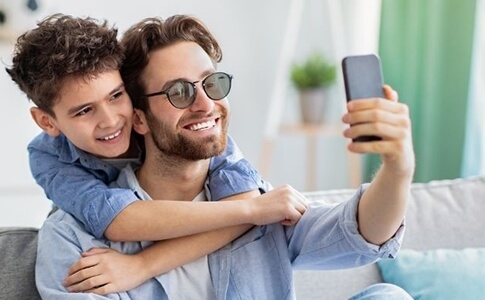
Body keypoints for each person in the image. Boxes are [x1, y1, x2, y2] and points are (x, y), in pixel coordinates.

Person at [33, 13, 415, 299]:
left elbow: (360, 233)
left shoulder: (255, 202)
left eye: (213, 84)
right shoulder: (73, 237)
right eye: (179, 92)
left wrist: (398, 168)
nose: (206, 104)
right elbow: (115, 221)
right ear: (139, 119)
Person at [6, 13, 309, 295]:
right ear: (47, 122)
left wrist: (254, 210)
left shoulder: (180, 131)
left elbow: (246, 203)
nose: (111, 121)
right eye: (84, 110)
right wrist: (254, 211)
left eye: (116, 96)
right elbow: (116, 220)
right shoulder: (51, 160)